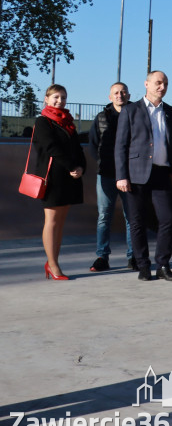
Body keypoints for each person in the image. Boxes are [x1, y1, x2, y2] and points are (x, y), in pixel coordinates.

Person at [115, 71, 172, 281]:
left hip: (162, 173)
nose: (161, 87)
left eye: (165, 83)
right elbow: (121, 146)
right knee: (137, 221)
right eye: (157, 82)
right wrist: (121, 176)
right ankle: (143, 265)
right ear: (146, 84)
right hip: (136, 175)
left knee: (167, 219)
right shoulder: (130, 110)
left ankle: (163, 264)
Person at [30, 84, 87, 280]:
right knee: (52, 221)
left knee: (60, 223)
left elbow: (77, 149)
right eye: (55, 97)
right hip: (53, 178)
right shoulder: (43, 121)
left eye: (63, 97)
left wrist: (81, 167)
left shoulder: (67, 122)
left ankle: (52, 261)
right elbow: (51, 147)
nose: (60, 101)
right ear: (46, 99)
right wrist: (72, 166)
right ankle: (52, 265)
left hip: (69, 178)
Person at [87, 82, 133, 272]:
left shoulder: (135, 115)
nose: (119, 95)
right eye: (116, 92)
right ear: (110, 97)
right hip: (106, 174)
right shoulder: (101, 118)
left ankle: (134, 257)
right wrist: (103, 163)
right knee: (104, 216)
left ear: (128, 95)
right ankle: (102, 257)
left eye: (123, 92)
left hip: (130, 175)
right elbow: (93, 144)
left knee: (132, 217)